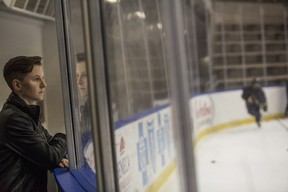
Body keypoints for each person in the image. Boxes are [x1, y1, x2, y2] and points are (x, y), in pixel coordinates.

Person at [0, 56, 69, 192]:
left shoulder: (26, 114)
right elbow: (51, 156)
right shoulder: (14, 119)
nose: (44, 84)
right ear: (17, 85)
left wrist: (55, 154)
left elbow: (48, 145)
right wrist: (63, 137)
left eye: (43, 78)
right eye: (36, 79)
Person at [76, 52, 95, 173]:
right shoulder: (88, 105)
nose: (79, 82)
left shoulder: (103, 107)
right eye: (77, 75)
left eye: (84, 75)